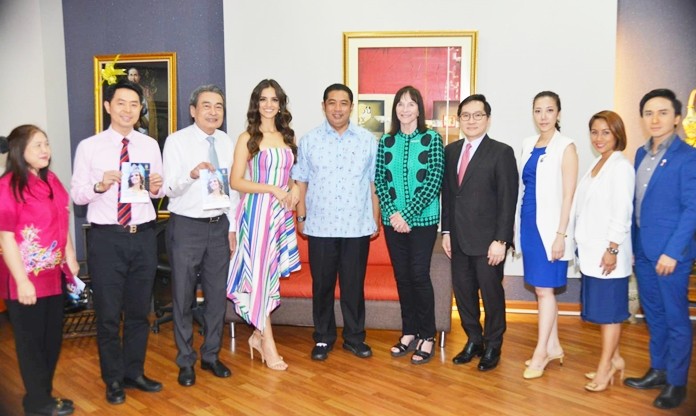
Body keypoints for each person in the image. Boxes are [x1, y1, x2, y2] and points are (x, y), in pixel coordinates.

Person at [70, 79, 165, 405]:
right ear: (108, 106)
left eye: (134, 104)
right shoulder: (90, 146)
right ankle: (112, 379)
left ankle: (134, 372)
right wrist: (99, 185)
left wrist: (156, 186)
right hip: (107, 238)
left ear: (140, 110)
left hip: (143, 235)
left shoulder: (150, 145)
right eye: (121, 103)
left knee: (139, 312)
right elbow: (77, 195)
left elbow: (158, 192)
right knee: (109, 314)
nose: (128, 110)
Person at [292, 83, 379, 361]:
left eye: (344, 103)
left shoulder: (367, 140)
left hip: (356, 226)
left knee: (354, 286)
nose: (338, 108)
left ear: (351, 107)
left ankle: (354, 338)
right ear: (324, 106)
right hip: (320, 226)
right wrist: (301, 216)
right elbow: (301, 181)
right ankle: (323, 338)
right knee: (323, 285)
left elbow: (374, 184)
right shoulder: (309, 140)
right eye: (332, 102)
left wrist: (374, 219)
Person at [623, 89, 696, 410]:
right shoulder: (640, 154)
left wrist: (673, 252)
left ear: (677, 118)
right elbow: (639, 205)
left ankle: (676, 384)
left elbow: (692, 209)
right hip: (644, 253)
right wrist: (634, 248)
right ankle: (658, 370)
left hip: (671, 256)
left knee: (677, 319)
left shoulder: (688, 156)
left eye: (663, 112)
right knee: (653, 316)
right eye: (649, 112)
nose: (655, 119)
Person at [162, 84, 239, 387]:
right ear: (193, 110)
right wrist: (191, 175)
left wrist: (231, 227)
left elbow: (232, 190)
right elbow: (167, 188)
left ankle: (211, 355)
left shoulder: (226, 141)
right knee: (182, 296)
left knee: (217, 296)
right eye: (206, 105)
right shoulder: (177, 141)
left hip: (218, 226)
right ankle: (185, 361)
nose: (213, 111)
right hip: (187, 226)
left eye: (219, 106)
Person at [0, 125, 78, 416]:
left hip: (52, 275)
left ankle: (42, 396)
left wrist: (70, 253)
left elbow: (62, 217)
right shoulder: (8, 186)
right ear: (20, 150)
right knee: (31, 343)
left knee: (51, 339)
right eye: (37, 145)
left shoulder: (51, 180)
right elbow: (5, 235)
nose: (45, 150)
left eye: (46, 144)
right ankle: (38, 401)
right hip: (25, 277)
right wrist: (22, 280)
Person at [227, 79, 302, 371]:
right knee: (258, 276)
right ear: (256, 104)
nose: (269, 105)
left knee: (269, 276)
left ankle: (258, 336)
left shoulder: (287, 136)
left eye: (274, 99)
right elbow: (235, 181)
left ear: (281, 104)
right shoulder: (247, 137)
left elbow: (291, 175)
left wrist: (294, 189)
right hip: (257, 212)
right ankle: (268, 344)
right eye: (263, 99)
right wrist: (272, 189)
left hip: (281, 215)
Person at [441, 94, 518, 372]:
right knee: (463, 294)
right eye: (466, 116)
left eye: (478, 115)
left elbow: (507, 200)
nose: (471, 120)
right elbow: (448, 197)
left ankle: (493, 343)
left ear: (488, 119)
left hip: (489, 243)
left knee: (491, 294)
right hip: (458, 239)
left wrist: (501, 240)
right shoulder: (450, 152)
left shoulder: (501, 152)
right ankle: (474, 339)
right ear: (459, 119)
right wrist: (446, 231)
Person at [374, 86, 444, 364]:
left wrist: (408, 215)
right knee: (402, 276)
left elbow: (434, 180)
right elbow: (380, 179)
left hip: (423, 221)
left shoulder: (431, 139)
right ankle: (409, 331)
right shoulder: (386, 142)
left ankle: (428, 335)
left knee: (418, 274)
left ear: (419, 109)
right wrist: (393, 214)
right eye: (400, 104)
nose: (405, 109)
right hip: (393, 222)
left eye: (411, 104)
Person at [516, 91, 578, 380]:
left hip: (552, 229)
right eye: (538, 110)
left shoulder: (567, 147)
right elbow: (525, 188)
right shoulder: (528, 144)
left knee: (544, 290)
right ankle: (553, 346)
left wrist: (560, 234)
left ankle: (540, 353)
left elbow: (568, 196)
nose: (543, 116)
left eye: (549, 110)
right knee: (542, 290)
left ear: (558, 114)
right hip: (529, 224)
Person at [571, 111, 634, 392]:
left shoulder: (621, 167)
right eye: (595, 132)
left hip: (608, 254)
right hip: (591, 252)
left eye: (606, 132)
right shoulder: (598, 164)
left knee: (609, 315)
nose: (599, 138)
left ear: (617, 134)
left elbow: (622, 212)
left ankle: (605, 367)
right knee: (602, 311)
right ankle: (616, 358)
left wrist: (612, 249)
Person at [127, 67, 158, 139]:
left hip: (143, 131)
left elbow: (150, 114)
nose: (133, 78)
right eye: (131, 75)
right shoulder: (123, 91)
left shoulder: (146, 92)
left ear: (139, 77)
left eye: (135, 75)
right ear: (128, 77)